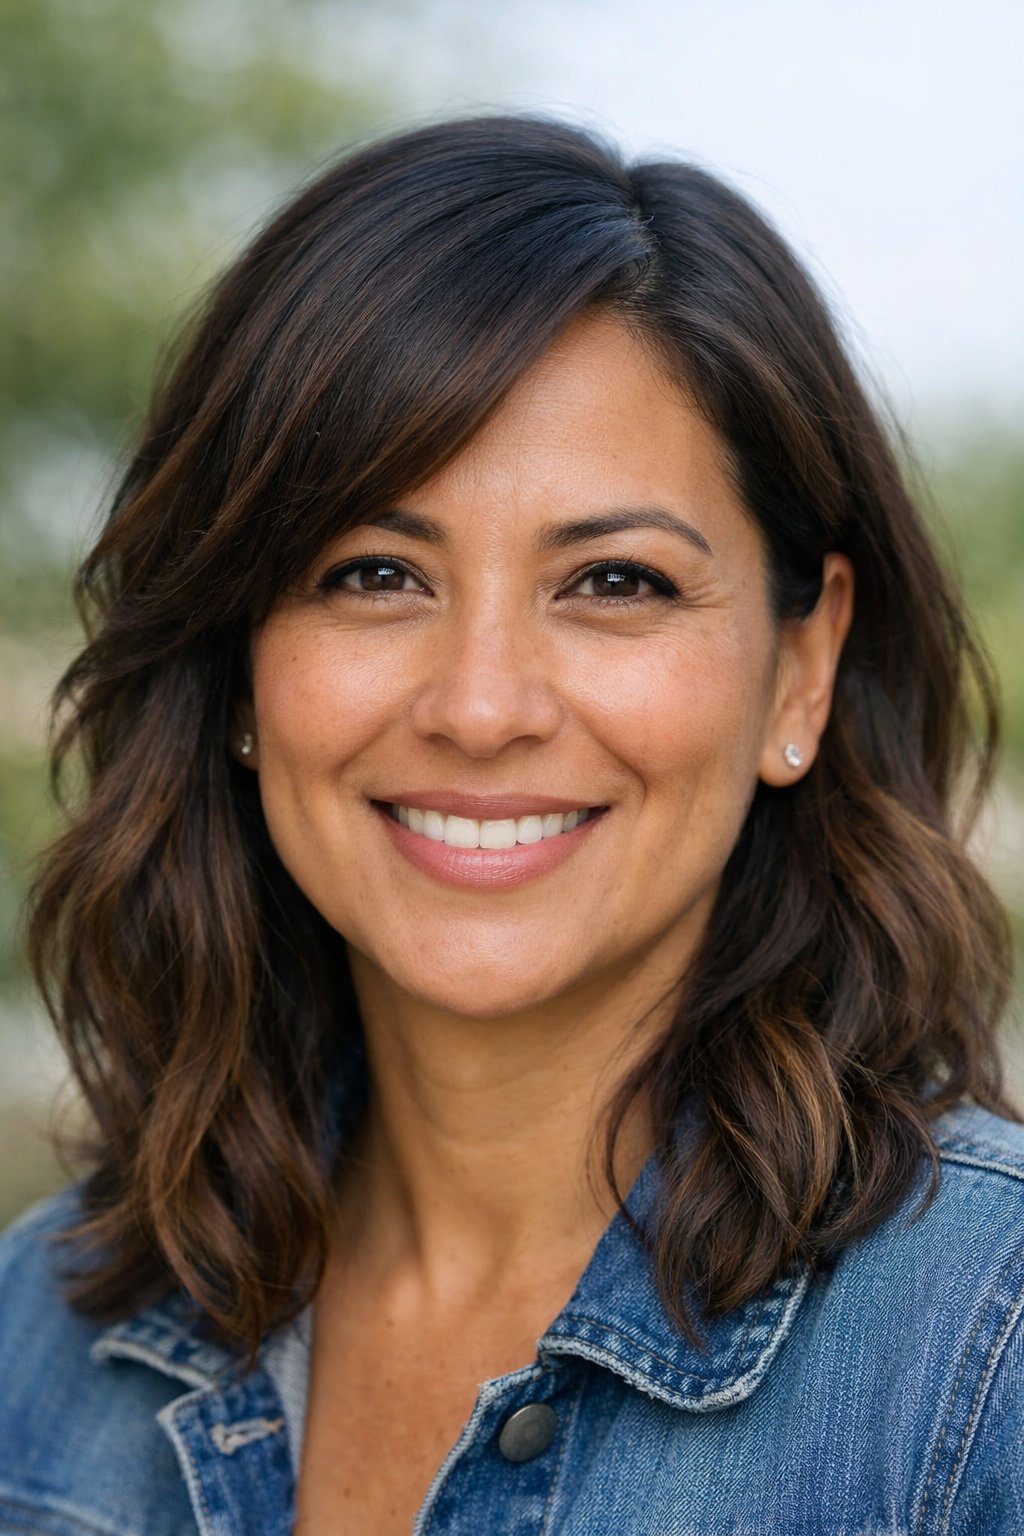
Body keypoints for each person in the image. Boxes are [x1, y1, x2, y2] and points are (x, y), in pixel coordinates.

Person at [0, 114, 1020, 1535]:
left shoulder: (991, 1354)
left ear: (803, 665)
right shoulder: (37, 1343)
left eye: (614, 582)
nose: (482, 708)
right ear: (237, 664)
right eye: (371, 573)